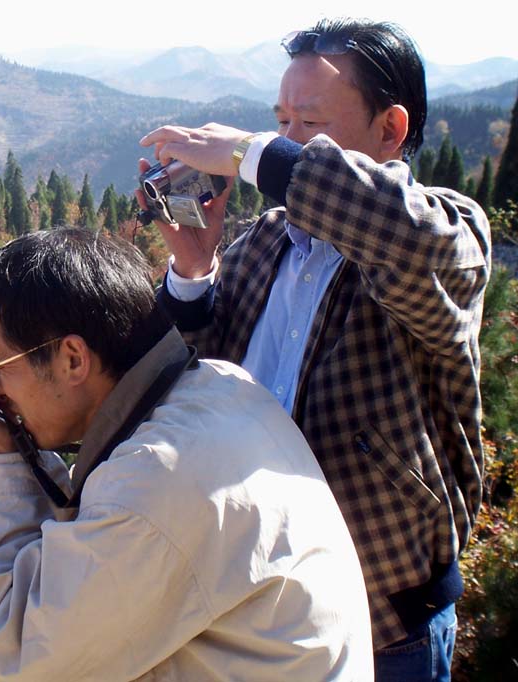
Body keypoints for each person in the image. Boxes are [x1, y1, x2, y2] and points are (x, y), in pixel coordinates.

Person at [138, 18, 491, 681]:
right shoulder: (264, 243)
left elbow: (403, 236)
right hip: (257, 618)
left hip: (387, 627)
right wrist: (192, 268)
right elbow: (190, 381)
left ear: (391, 131)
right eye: (280, 122)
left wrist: (249, 149)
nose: (286, 142)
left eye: (308, 125)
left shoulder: (447, 233)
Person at [0, 227, 373, 681]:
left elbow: (15, 645)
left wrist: (5, 462)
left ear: (72, 359)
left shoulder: (155, 482)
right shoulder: (217, 384)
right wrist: (20, 449)